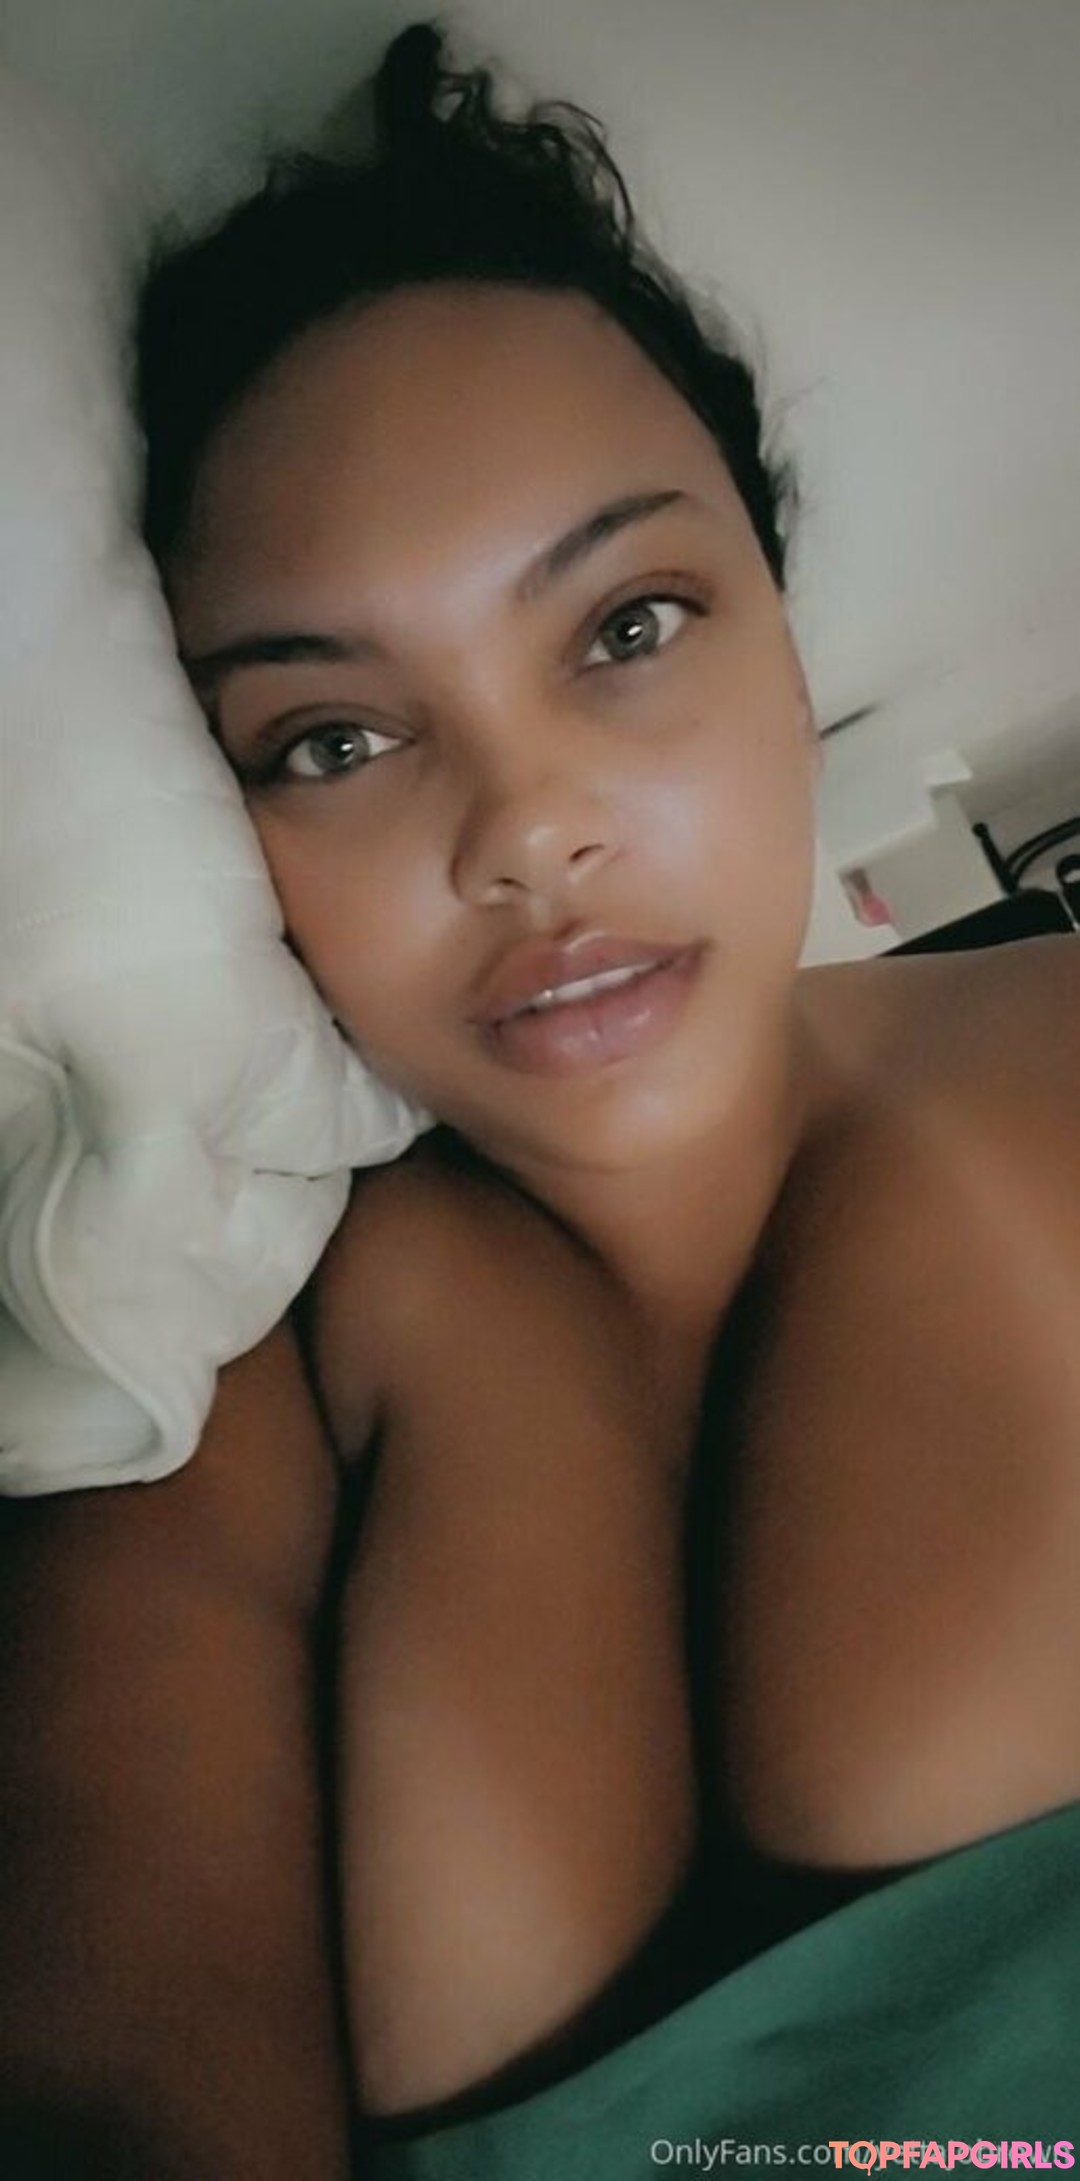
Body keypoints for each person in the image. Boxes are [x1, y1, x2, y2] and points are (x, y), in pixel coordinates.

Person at [3, 18, 1080, 2177]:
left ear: (785, 636)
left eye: (629, 624)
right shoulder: (218, 1379)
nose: (525, 828)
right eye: (331, 739)